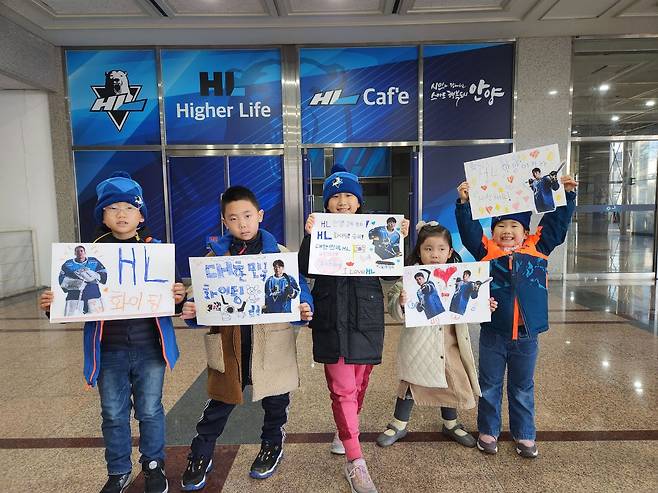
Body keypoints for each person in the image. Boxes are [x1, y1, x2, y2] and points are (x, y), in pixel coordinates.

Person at [40, 172, 186, 493]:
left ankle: (153, 465)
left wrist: (179, 297)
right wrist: (53, 304)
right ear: (103, 217)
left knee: (150, 409)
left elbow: (173, 297)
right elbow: (70, 298)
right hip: (108, 349)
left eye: (129, 208)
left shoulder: (156, 250)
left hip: (150, 346)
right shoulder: (88, 254)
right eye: (113, 208)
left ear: (141, 214)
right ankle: (118, 471)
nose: (122, 214)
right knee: (113, 412)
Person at [180, 186, 314, 491]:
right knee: (219, 403)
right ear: (225, 222)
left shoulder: (280, 254)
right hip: (231, 344)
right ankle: (201, 453)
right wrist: (191, 309)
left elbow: (300, 291)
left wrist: (305, 308)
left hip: (272, 343)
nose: (242, 223)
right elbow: (200, 297)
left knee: (275, 402)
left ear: (260, 216)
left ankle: (271, 445)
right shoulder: (215, 256)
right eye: (234, 218)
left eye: (248, 216)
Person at [299, 164, 409, 493]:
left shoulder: (377, 230)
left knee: (360, 382)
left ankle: (345, 429)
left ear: (359, 202)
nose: (343, 202)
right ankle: (355, 460)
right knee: (343, 389)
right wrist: (308, 237)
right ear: (326, 203)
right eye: (335, 197)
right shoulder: (318, 230)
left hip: (367, 315)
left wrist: (399, 238)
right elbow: (305, 269)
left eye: (349, 196)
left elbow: (391, 273)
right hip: (332, 316)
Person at [456, 175, 577, 458]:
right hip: (493, 333)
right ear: (493, 229)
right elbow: (469, 231)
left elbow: (557, 226)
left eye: (514, 226)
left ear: (525, 231)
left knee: (522, 386)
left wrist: (567, 196)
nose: (507, 231)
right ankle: (488, 430)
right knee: (490, 385)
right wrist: (465, 203)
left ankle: (525, 434)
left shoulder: (539, 248)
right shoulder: (487, 251)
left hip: (527, 335)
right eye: (501, 226)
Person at [377, 221, 496, 450]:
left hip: (449, 343)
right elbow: (394, 310)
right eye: (428, 249)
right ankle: (399, 424)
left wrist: (483, 305)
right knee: (410, 383)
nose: (435, 254)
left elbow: (467, 305)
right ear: (419, 252)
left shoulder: (457, 279)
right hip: (418, 343)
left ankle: (450, 423)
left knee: (449, 382)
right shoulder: (408, 280)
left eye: (441, 249)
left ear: (450, 252)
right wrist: (400, 302)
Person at [58, 244, 108, 316]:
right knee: (71, 318)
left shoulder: (94, 261)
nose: (80, 253)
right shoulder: (67, 264)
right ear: (75, 253)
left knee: (98, 318)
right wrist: (76, 283)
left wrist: (94, 275)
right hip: (74, 296)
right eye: (77, 251)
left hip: (93, 295)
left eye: (81, 251)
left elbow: (103, 273)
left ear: (85, 252)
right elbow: (61, 278)